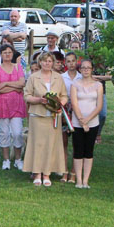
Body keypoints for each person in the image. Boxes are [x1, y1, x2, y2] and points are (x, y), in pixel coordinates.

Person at [23, 52, 67, 187]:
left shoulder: (58, 77)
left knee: (50, 145)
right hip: (37, 115)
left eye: (49, 61)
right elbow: (26, 96)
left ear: (53, 63)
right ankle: (37, 173)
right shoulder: (33, 77)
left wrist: (59, 104)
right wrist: (38, 100)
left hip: (53, 117)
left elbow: (64, 96)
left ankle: (47, 174)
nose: (47, 63)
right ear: (40, 62)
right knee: (37, 145)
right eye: (44, 61)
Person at [70, 58, 103, 189]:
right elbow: (74, 103)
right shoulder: (75, 84)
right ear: (80, 69)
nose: (85, 70)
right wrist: (81, 120)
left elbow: (99, 106)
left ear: (92, 69)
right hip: (77, 122)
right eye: (83, 68)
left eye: (88, 68)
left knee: (89, 151)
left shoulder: (98, 85)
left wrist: (87, 120)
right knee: (78, 150)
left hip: (93, 122)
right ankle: (78, 180)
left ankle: (85, 180)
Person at [0, 44, 26, 170]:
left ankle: (18, 159)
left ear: (13, 54)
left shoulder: (18, 67)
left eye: (9, 52)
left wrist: (5, 83)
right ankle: (6, 160)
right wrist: (15, 87)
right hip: (2, 105)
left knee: (17, 133)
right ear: (1, 54)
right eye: (5, 52)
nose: (7, 54)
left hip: (16, 105)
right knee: (4, 133)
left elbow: (22, 84)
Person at [60, 52, 81, 182]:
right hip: (64, 110)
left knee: (76, 143)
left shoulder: (81, 76)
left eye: (73, 61)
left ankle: (73, 172)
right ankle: (64, 171)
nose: (71, 63)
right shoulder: (61, 77)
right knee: (63, 143)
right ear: (65, 63)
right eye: (68, 61)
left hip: (78, 110)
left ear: (76, 61)